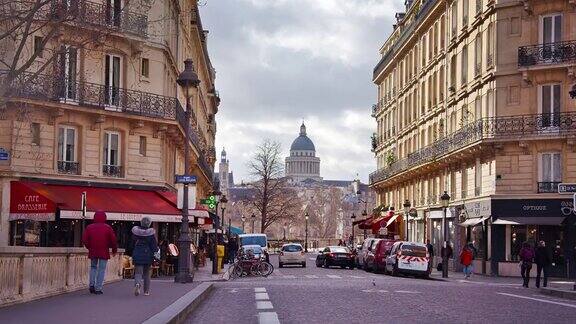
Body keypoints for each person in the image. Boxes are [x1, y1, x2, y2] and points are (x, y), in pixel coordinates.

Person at [82, 210, 118, 295]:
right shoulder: (107, 227)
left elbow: (84, 240)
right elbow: (113, 240)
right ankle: (98, 288)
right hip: (104, 251)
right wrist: (114, 250)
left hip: (93, 250)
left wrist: (89, 247)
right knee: (101, 269)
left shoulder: (89, 227)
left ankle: (91, 284)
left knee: (93, 267)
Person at [131, 216, 158, 296]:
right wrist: (155, 255)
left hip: (137, 253)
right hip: (147, 255)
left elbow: (131, 244)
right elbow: (154, 246)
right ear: (149, 223)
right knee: (146, 273)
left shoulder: (135, 233)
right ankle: (146, 291)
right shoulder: (151, 234)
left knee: (138, 272)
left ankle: (137, 284)